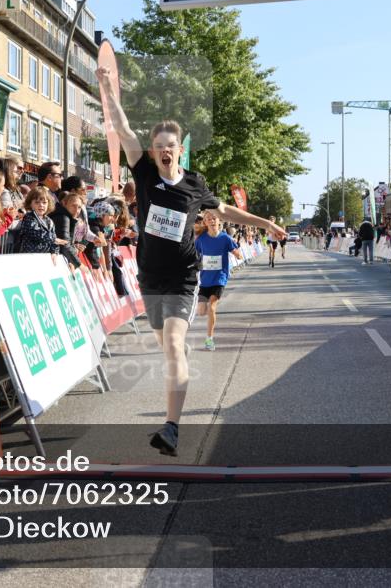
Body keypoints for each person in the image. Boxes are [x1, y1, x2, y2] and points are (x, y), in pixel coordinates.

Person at [97, 63, 285, 457]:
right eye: (159, 146)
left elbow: (227, 211)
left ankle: (171, 427)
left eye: (171, 145)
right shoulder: (144, 172)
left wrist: (265, 222)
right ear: (153, 151)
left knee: (172, 343)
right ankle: (178, 373)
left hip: (183, 276)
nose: (165, 151)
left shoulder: (195, 184)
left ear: (179, 149)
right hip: (150, 277)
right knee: (168, 346)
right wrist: (108, 90)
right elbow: (123, 129)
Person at [195, 211, 242, 351]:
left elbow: (237, 253)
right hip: (205, 280)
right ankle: (208, 324)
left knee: (212, 307)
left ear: (219, 221)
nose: (212, 220)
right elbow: (194, 255)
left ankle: (209, 339)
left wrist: (237, 253)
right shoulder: (201, 239)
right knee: (201, 311)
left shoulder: (225, 238)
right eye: (208, 219)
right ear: (205, 222)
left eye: (214, 218)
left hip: (219, 278)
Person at [17, 186, 66, 255]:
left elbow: (54, 239)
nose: (41, 205)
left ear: (48, 204)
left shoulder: (49, 221)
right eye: (37, 202)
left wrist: (54, 252)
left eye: (44, 202)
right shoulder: (29, 217)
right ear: (30, 204)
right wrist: (54, 239)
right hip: (29, 256)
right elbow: (35, 233)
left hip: (44, 256)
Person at [50, 191, 85, 270]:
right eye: (73, 206)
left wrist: (74, 247)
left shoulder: (67, 216)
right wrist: (79, 264)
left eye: (79, 207)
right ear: (64, 203)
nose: (77, 210)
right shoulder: (63, 217)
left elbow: (66, 242)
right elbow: (64, 244)